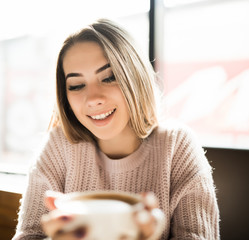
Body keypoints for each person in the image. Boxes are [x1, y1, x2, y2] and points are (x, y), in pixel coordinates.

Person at [12, 19, 220, 240]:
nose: (93, 99)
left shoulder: (177, 146)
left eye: (109, 77)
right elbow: (29, 235)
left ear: (135, 77)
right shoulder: (58, 145)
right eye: (76, 85)